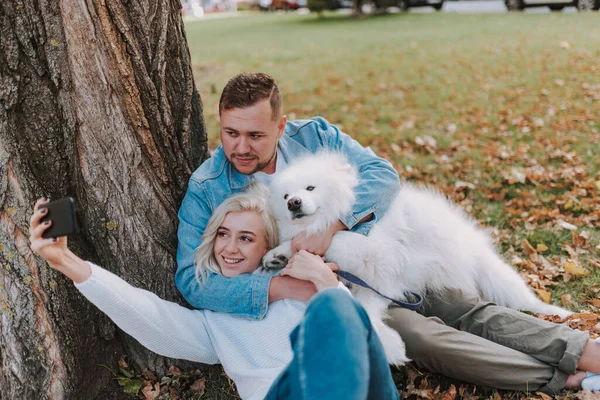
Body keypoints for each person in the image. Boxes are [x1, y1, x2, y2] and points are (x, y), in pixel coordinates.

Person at [175, 72, 600, 396]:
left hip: (375, 256)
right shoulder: (208, 187)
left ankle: (584, 350)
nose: (241, 148)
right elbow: (192, 281)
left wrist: (334, 228)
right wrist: (284, 286)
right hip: (329, 296)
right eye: (230, 133)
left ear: (281, 126)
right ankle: (561, 377)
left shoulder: (315, 136)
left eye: (255, 135)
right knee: (423, 336)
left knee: (461, 306)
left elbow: (382, 175)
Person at [29, 195, 400, 400]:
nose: (230, 248)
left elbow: (363, 336)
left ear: (267, 249)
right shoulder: (212, 323)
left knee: (334, 305)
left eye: (246, 238)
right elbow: (147, 314)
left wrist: (324, 281)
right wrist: (67, 261)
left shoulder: (298, 288)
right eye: (223, 234)